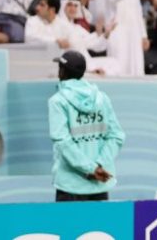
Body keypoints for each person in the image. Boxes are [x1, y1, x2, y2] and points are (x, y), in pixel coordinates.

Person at [48, 50, 125, 201]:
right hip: (99, 181)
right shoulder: (102, 98)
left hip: (70, 184)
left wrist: (91, 169)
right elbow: (116, 136)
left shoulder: (57, 101)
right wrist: (99, 165)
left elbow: (62, 141)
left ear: (62, 71)